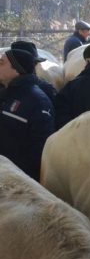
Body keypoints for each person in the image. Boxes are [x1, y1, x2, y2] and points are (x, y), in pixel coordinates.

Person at [0, 47, 54, 180]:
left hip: (18, 179)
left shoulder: (37, 101)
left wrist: (21, 176)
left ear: (17, 69)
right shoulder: (5, 94)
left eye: (1, 63)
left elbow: (41, 148)